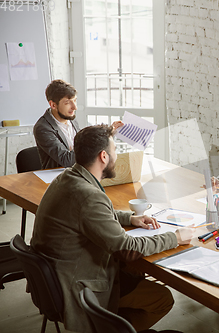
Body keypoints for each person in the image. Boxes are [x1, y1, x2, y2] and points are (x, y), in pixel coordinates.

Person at [31, 124, 194, 333]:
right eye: (115, 150)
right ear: (104, 157)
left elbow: (88, 215)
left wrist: (130, 218)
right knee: (162, 298)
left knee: (135, 269)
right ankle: (111, 328)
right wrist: (175, 238)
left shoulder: (67, 178)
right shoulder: (89, 195)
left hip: (61, 275)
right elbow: (126, 248)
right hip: (80, 284)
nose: (116, 155)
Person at [34, 79, 122, 169]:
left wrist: (108, 132)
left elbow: (81, 143)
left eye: (75, 100)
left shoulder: (70, 117)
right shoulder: (43, 128)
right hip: (60, 177)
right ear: (53, 105)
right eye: (67, 103)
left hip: (78, 171)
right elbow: (66, 160)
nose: (75, 107)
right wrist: (96, 140)